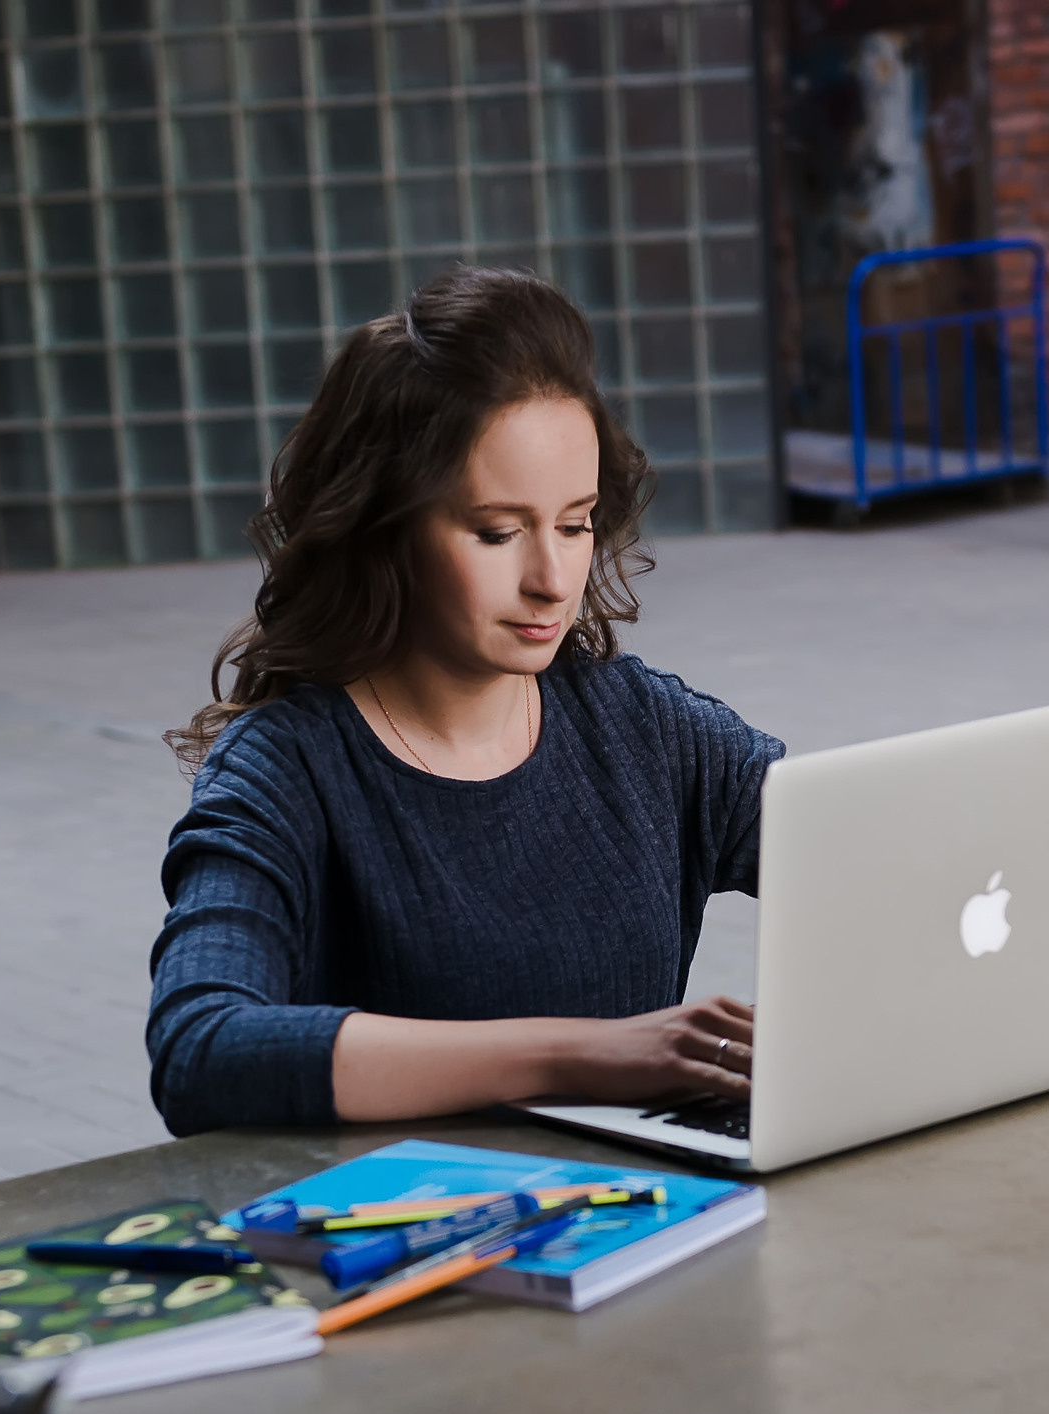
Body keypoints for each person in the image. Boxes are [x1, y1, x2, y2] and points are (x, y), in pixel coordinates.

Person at [147, 267, 783, 1136]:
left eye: (575, 523)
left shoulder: (641, 727)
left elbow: (862, 845)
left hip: (652, 1225)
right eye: (497, 532)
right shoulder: (286, 768)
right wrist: (579, 1056)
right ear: (383, 524)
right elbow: (202, 1050)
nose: (552, 580)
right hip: (412, 1247)